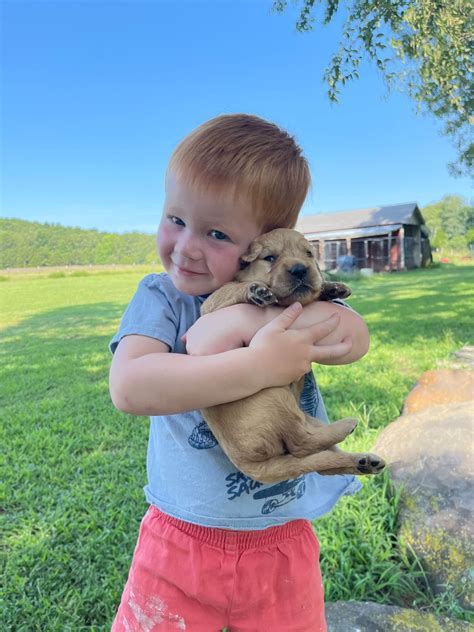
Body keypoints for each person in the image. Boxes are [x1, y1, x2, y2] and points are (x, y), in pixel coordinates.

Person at [108, 114, 369, 631]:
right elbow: (130, 386)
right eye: (175, 219)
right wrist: (256, 363)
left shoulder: (286, 297)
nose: (185, 247)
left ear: (267, 241)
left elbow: (352, 336)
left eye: (217, 233)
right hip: (180, 538)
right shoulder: (160, 298)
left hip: (282, 539)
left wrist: (251, 317)